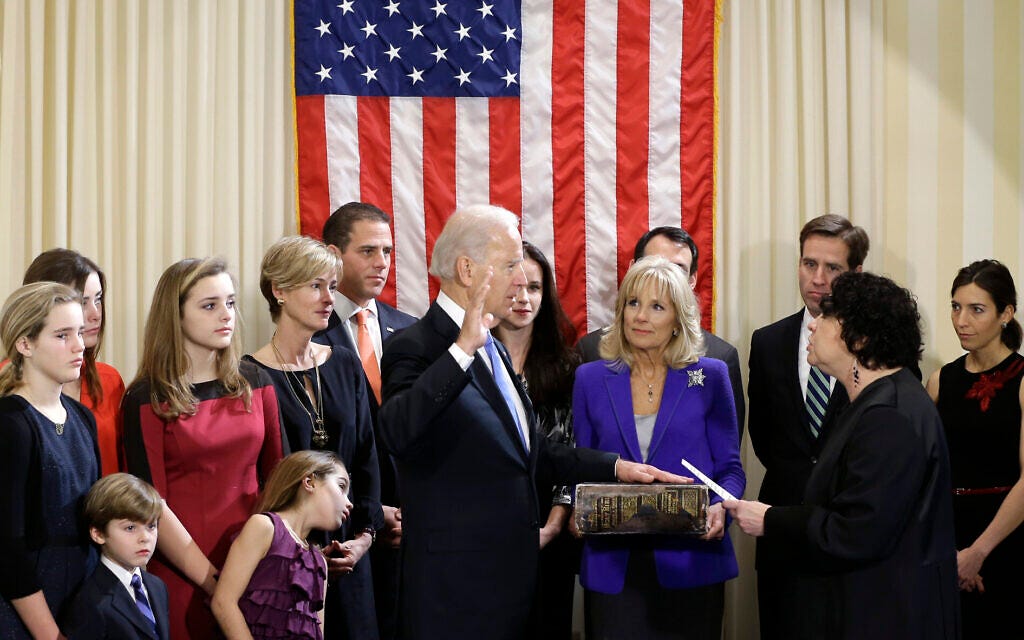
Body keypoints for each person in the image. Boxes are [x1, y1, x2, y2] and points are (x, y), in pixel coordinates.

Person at [378, 204, 689, 640]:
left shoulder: (495, 348)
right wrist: (461, 350)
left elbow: (529, 453)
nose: (521, 281)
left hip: (514, 583)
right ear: (467, 269)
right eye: (509, 265)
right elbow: (396, 429)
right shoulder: (419, 345)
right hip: (454, 591)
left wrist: (616, 468)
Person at [727, 272, 959, 639]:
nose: (813, 326)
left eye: (827, 317)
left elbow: (858, 531)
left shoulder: (889, 415)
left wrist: (771, 519)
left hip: (887, 615)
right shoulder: (879, 401)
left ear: (860, 338)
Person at [573, 256, 745, 640]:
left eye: (657, 306)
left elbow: (730, 470)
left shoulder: (710, 376)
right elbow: (580, 466)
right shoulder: (589, 378)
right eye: (633, 303)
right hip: (613, 565)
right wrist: (573, 506)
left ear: (677, 320)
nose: (641, 316)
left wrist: (722, 509)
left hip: (692, 561)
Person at [123, 257, 285, 640]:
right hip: (183, 574)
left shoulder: (256, 381)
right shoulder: (146, 398)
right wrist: (217, 582)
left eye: (230, 303)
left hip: (256, 566)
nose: (225, 315)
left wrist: (255, 567)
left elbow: (278, 479)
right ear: (175, 316)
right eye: (209, 305)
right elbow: (151, 504)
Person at [246, 235, 384, 640]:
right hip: (289, 554)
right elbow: (263, 476)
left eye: (332, 287)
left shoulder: (343, 362)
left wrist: (365, 538)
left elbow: (366, 457)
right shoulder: (250, 375)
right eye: (315, 286)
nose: (328, 298)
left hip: (350, 548)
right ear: (279, 290)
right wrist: (302, 547)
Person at [746, 213, 868, 638]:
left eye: (832, 268)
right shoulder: (767, 341)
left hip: (849, 535)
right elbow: (762, 435)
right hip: (781, 529)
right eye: (808, 263)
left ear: (855, 273)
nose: (817, 278)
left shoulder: (877, 345)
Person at [313, 202, 415, 640]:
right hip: (342, 529)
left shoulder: (408, 328)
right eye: (369, 251)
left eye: (388, 252)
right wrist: (372, 514)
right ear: (334, 254)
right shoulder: (307, 334)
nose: (382, 263)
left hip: (407, 528)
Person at [926, 259, 1024, 636]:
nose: (961, 320)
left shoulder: (1022, 380)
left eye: (976, 309)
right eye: (955, 306)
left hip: (1005, 540)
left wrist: (978, 553)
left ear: (1006, 313)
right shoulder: (941, 380)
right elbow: (924, 470)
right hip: (945, 540)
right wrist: (947, 552)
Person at [0, 282, 100, 638]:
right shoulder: (11, 424)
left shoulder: (82, 417)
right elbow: (6, 547)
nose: (79, 346)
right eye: (62, 335)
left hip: (82, 592)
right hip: (26, 603)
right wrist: (48, 633)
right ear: (25, 344)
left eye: (79, 333)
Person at [492, 241, 581, 640]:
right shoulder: (469, 357)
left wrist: (552, 524)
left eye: (535, 287)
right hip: (484, 529)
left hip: (550, 530)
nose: (524, 298)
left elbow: (571, 450)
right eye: (514, 287)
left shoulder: (567, 365)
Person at [576, 226, 745, 434]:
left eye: (677, 269)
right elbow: (578, 448)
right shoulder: (592, 351)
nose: (660, 275)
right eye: (652, 264)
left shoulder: (719, 358)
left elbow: (724, 453)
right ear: (633, 270)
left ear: (692, 281)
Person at [213, 451, 353, 640]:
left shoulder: (319, 562)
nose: (350, 503)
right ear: (309, 482)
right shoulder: (264, 527)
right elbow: (224, 602)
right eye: (341, 486)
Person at [24, 248, 126, 476]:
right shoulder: (6, 383)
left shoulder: (109, 380)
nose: (95, 314)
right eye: (82, 302)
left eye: (98, 300)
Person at [67, 473, 170, 640]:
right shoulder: (91, 601)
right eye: (130, 528)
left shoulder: (157, 587)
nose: (145, 537)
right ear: (98, 533)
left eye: (151, 526)